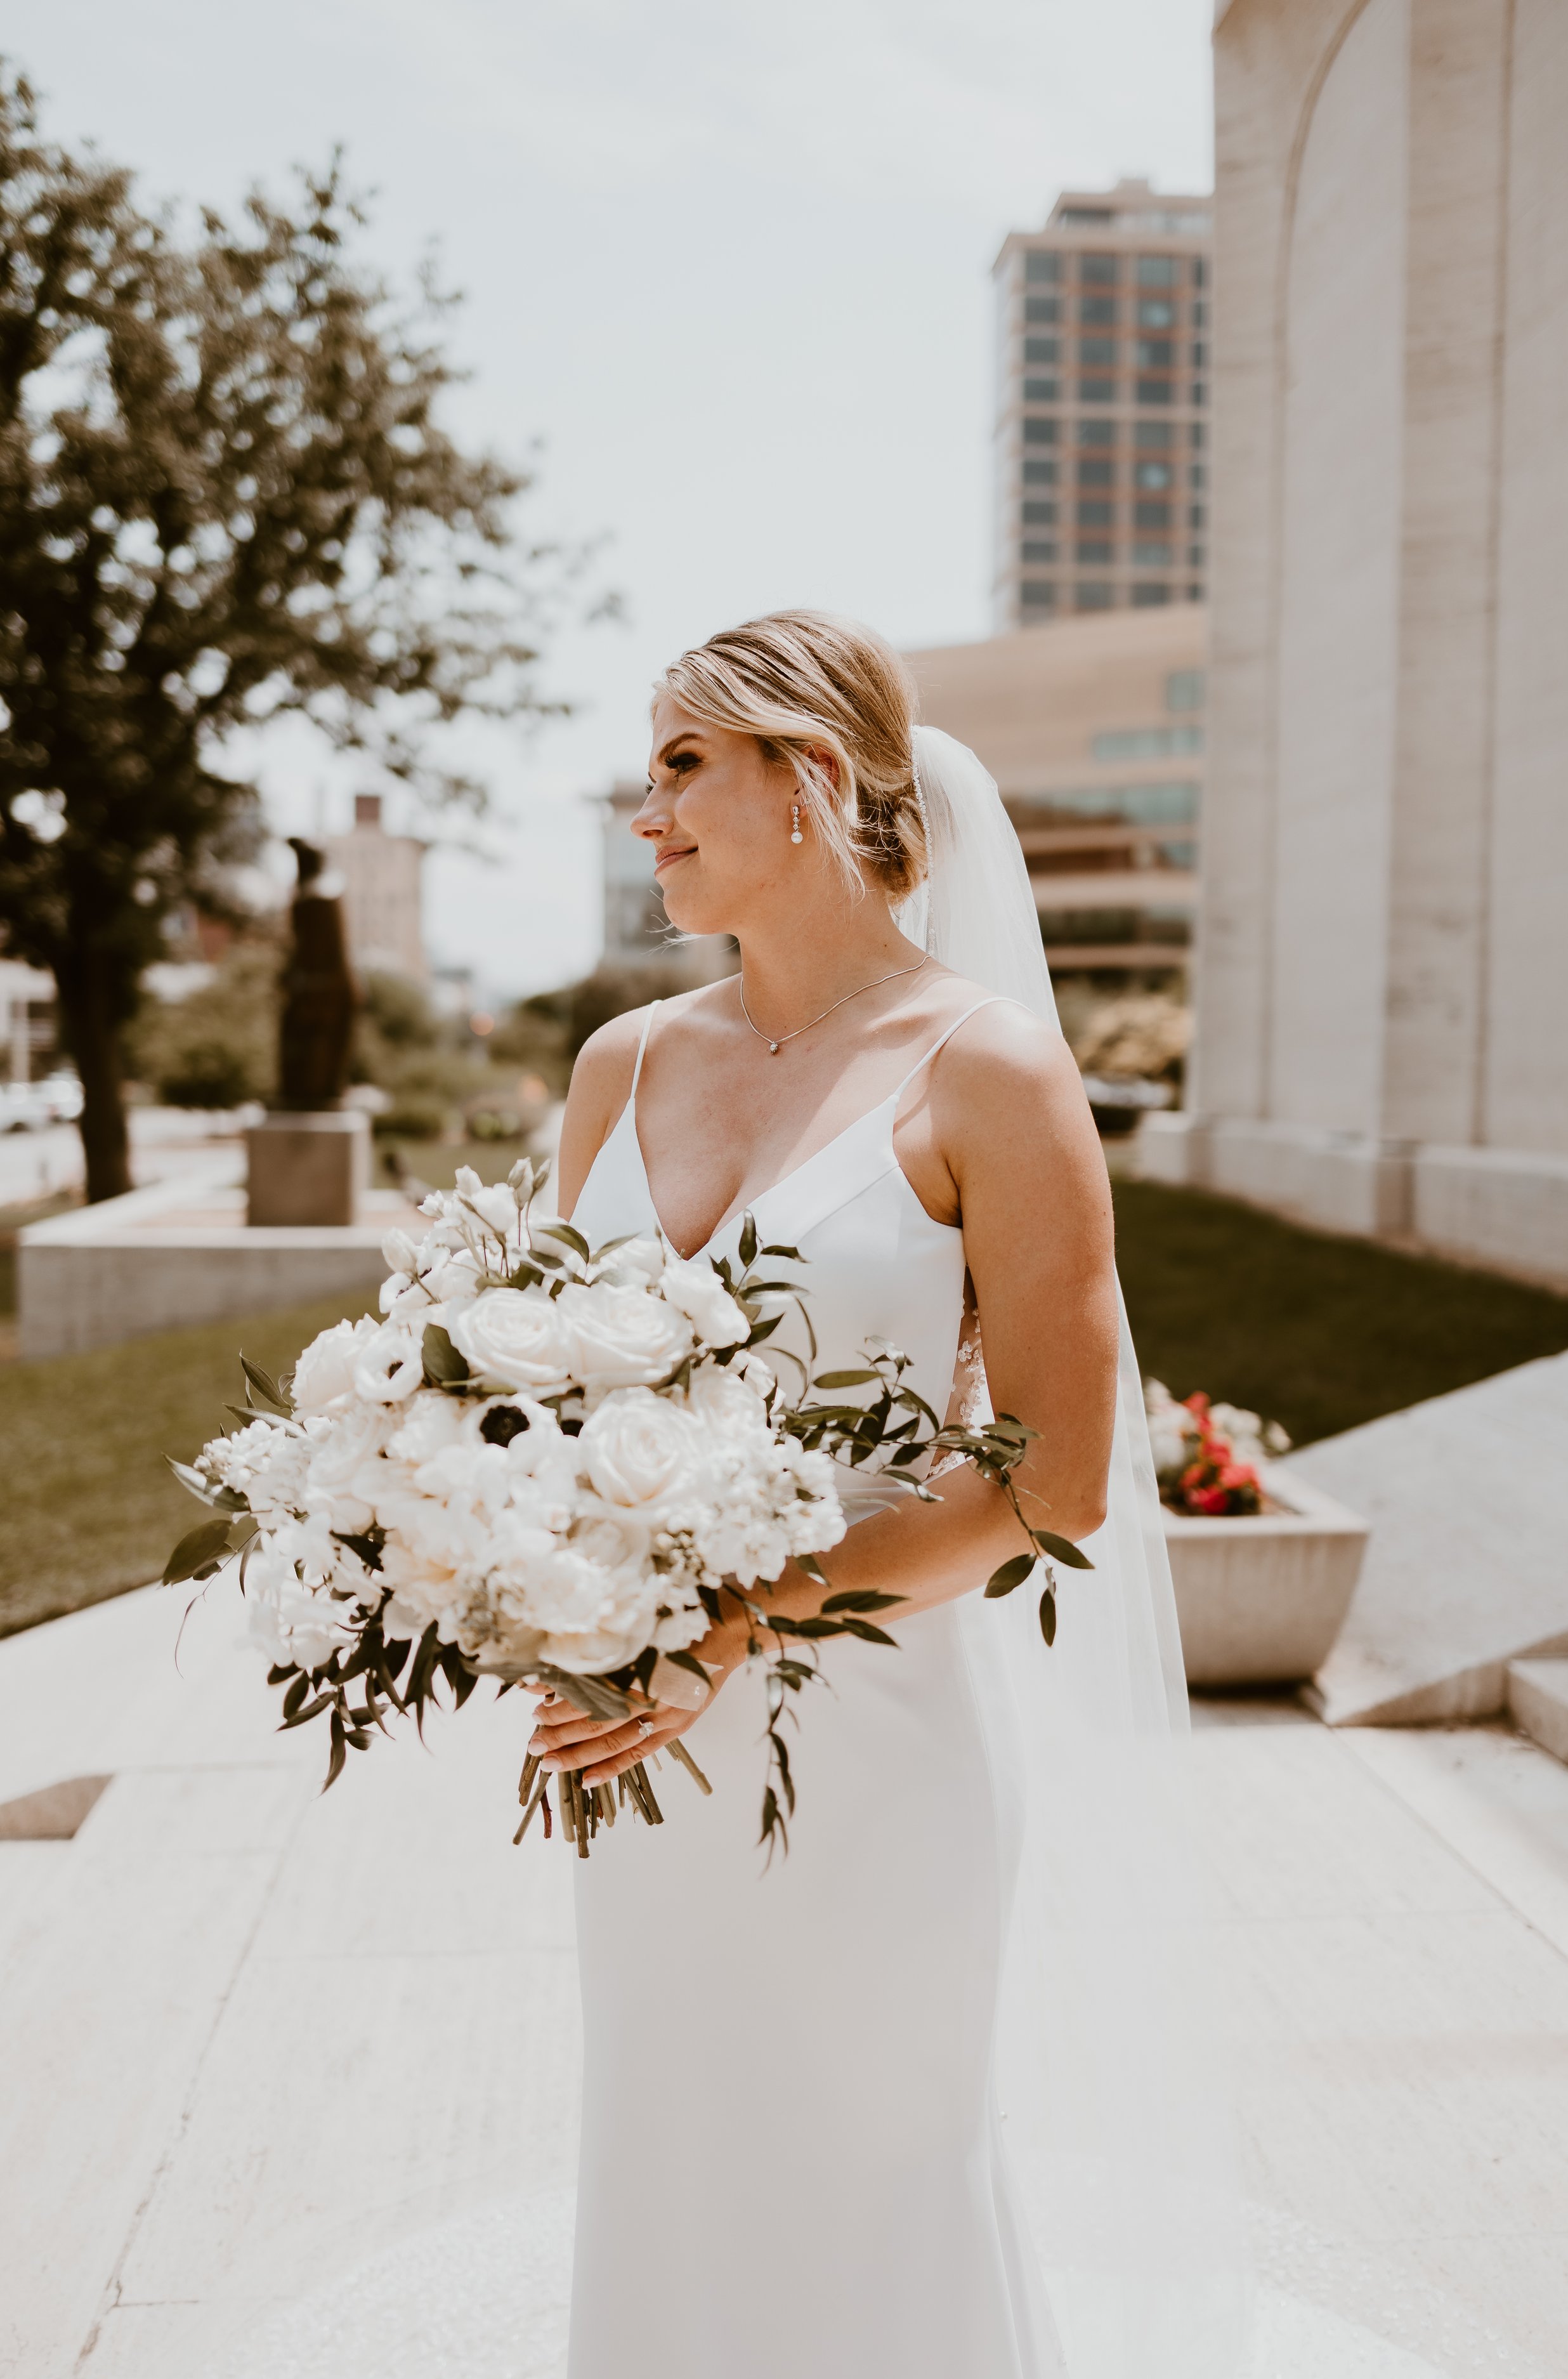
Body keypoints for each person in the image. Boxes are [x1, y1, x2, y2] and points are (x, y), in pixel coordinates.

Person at [540, 612, 1242, 2379]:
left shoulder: (984, 1069)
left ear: (814, 780)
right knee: (669, 2158)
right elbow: (542, 1400)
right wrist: (539, 1596)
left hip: (875, 1748)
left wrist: (737, 1619)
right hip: (647, 1753)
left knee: (871, 2184)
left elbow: (1057, 1479)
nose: (650, 813)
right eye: (649, 771)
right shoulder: (619, 1064)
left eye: (685, 764)